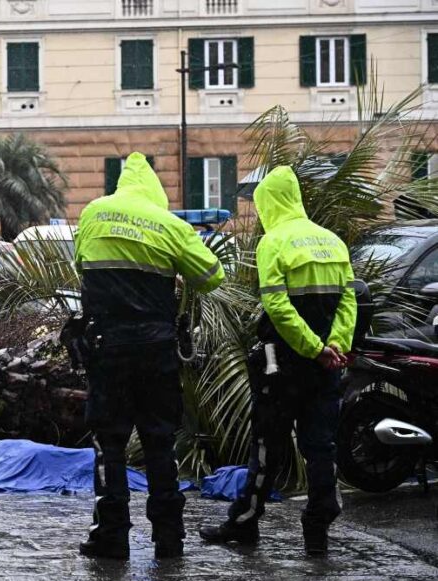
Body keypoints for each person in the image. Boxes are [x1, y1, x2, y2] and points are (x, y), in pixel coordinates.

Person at [74, 153, 224, 560]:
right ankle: (169, 539)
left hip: (108, 348)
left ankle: (111, 535)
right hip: (157, 352)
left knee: (109, 443)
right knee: (160, 443)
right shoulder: (169, 225)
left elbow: (81, 264)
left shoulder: (94, 213)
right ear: (154, 191)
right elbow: (213, 277)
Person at [200, 166, 355, 556]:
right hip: (327, 367)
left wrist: (311, 348)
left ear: (270, 202)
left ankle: (245, 522)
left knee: (268, 447)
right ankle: (317, 530)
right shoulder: (332, 242)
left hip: (282, 365)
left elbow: (277, 305)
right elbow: (349, 301)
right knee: (321, 446)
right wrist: (333, 346)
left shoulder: (274, 243)